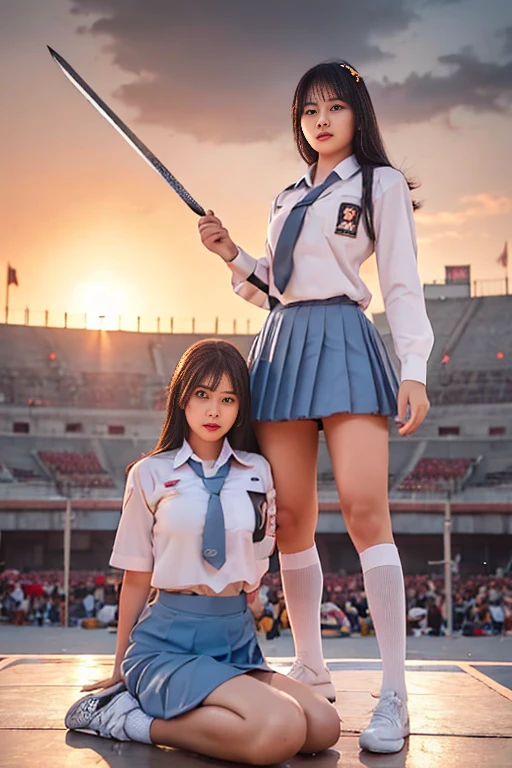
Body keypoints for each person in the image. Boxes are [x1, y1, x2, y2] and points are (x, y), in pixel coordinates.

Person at [198, 60, 434, 754]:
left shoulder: (378, 184)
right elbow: (277, 288)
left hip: (345, 335)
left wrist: (414, 366)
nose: (321, 120)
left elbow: (400, 278)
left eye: (334, 106)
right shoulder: (286, 194)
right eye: (309, 111)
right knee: (293, 516)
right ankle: (313, 665)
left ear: (358, 113)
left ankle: (395, 691)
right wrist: (232, 255)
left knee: (364, 509)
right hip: (283, 341)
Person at [64, 340, 340, 765]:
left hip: (235, 641)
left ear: (240, 407)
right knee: (281, 728)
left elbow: (259, 547)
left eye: (228, 399)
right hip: (168, 643)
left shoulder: (257, 471)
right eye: (203, 395)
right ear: (182, 397)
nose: (214, 411)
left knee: (323, 726)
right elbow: (137, 575)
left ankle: (217, 710)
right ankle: (123, 718)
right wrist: (120, 667)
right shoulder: (150, 474)